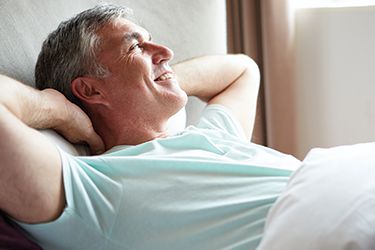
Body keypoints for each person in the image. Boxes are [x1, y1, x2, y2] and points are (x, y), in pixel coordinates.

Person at [0, 5, 301, 250]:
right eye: (136, 47)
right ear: (90, 91)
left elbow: (242, 70)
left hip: (333, 184)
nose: (166, 51)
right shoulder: (95, 191)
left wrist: (161, 79)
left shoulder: (211, 136)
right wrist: (60, 111)